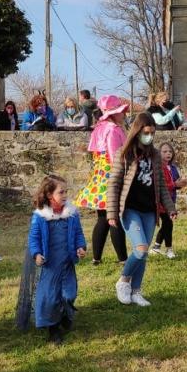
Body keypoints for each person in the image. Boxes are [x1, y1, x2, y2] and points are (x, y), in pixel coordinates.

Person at [107, 113, 177, 307]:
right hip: (129, 210)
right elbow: (113, 184)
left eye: (153, 133)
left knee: (144, 254)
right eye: (146, 133)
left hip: (149, 211)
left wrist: (170, 208)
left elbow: (161, 185)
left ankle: (136, 291)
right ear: (137, 131)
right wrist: (111, 213)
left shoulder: (155, 155)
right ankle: (123, 281)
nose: (150, 137)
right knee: (140, 249)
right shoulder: (124, 154)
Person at [17, 174, 87, 344]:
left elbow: (78, 233)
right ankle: (53, 329)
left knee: (69, 294)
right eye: (61, 192)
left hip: (67, 262)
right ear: (49, 195)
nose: (65, 195)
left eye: (66, 192)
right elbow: (33, 239)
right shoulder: (40, 217)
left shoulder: (71, 214)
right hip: (49, 265)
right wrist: (36, 254)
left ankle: (64, 313)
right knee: (50, 298)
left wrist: (81, 247)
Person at [75, 95, 129, 265]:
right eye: (121, 111)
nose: (124, 114)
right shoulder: (113, 130)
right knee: (114, 217)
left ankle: (96, 258)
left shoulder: (100, 128)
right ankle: (123, 259)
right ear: (113, 113)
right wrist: (123, 175)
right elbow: (116, 156)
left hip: (100, 176)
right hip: (111, 176)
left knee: (102, 218)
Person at [151, 142, 186, 259]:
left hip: (171, 200)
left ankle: (156, 247)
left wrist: (181, 183)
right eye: (164, 151)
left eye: (170, 151)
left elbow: (175, 183)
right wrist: (174, 184)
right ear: (158, 153)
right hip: (161, 202)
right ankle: (169, 249)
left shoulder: (173, 168)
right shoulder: (158, 167)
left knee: (166, 224)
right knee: (168, 224)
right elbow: (162, 185)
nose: (168, 154)